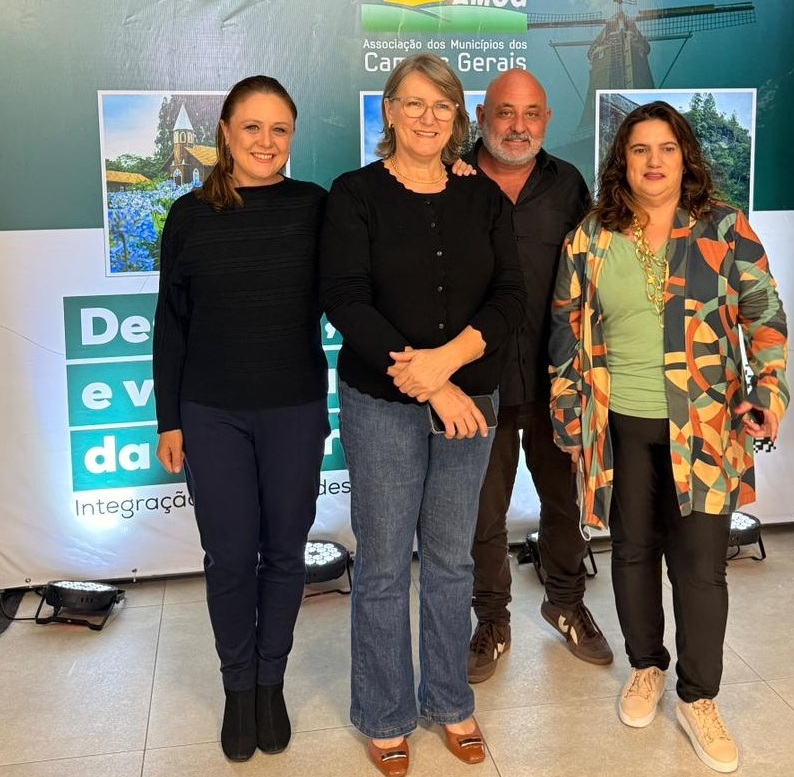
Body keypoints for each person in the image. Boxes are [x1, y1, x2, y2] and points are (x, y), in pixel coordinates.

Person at [549, 101, 788, 773]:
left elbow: (764, 314)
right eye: (639, 149)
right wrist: (568, 416)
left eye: (666, 148)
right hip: (618, 425)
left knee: (700, 566)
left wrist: (768, 391)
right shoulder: (591, 236)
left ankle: (697, 696)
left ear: (685, 157)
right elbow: (566, 328)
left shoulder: (723, 228)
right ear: (620, 162)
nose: (653, 161)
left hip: (705, 428)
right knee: (631, 552)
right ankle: (645, 666)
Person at [320, 54, 526, 776]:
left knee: (449, 556)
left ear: (457, 117)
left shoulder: (483, 197)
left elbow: (509, 297)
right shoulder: (354, 195)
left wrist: (451, 361)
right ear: (389, 111)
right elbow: (345, 299)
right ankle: (383, 714)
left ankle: (449, 699)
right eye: (413, 103)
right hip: (383, 403)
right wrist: (432, 384)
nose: (427, 117)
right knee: (382, 563)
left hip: (473, 400)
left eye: (442, 105)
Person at [152, 76, 330, 762]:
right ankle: (236, 685)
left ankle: (269, 681)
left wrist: (453, 170)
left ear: (292, 136)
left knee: (285, 551)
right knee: (228, 556)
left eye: (279, 128)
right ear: (224, 132)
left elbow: (380, 231)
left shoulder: (315, 207)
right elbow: (170, 323)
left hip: (294, 408)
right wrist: (169, 419)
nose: (265, 141)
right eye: (251, 127)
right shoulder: (188, 215)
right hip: (210, 412)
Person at [464, 68, 613, 683]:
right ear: (482, 117)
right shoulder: (450, 180)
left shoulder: (568, 184)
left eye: (531, 114)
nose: (518, 127)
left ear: (546, 120)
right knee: (482, 513)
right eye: (505, 112)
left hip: (559, 380)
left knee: (563, 502)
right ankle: (491, 621)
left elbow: (595, 277)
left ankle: (567, 604)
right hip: (477, 384)